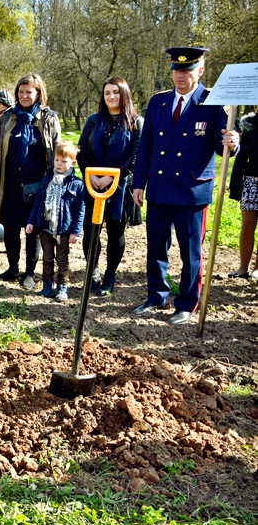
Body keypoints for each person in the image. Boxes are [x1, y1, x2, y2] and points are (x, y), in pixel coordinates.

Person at [131, 47, 240, 324]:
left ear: (200, 71)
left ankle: (187, 303)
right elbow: (146, 146)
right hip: (158, 186)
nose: (181, 75)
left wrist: (232, 143)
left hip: (191, 191)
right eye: (177, 70)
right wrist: (138, 182)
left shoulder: (213, 103)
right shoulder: (159, 103)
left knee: (190, 252)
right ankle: (156, 295)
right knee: (156, 246)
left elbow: (221, 142)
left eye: (188, 69)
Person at [0, 75, 61, 290]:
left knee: (32, 231)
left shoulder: (48, 118)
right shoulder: (7, 117)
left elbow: (57, 149)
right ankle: (13, 267)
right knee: (12, 228)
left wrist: (56, 180)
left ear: (38, 94)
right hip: (10, 184)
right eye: (21, 92)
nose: (24, 96)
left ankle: (30, 273)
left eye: (29, 92)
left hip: (37, 185)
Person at [77, 76, 144, 296]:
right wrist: (92, 175)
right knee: (90, 229)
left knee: (116, 230)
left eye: (116, 92)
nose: (111, 97)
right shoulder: (93, 120)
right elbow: (81, 152)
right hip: (91, 182)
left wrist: (111, 178)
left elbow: (136, 156)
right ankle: (93, 270)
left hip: (120, 185)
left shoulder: (136, 123)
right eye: (107, 93)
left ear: (124, 94)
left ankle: (110, 275)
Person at [25, 141, 86, 302]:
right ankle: (47, 285)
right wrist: (31, 221)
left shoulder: (77, 184)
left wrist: (75, 231)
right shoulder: (47, 179)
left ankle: (62, 286)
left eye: (64, 161)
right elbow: (39, 201)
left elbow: (80, 210)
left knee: (62, 259)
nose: (59, 164)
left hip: (63, 230)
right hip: (45, 227)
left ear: (73, 163)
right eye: (57, 160)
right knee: (47, 257)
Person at [230, 112, 258, 279]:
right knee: (247, 226)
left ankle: (257, 269)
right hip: (251, 183)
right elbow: (241, 159)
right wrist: (235, 187)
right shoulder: (251, 125)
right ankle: (243, 267)